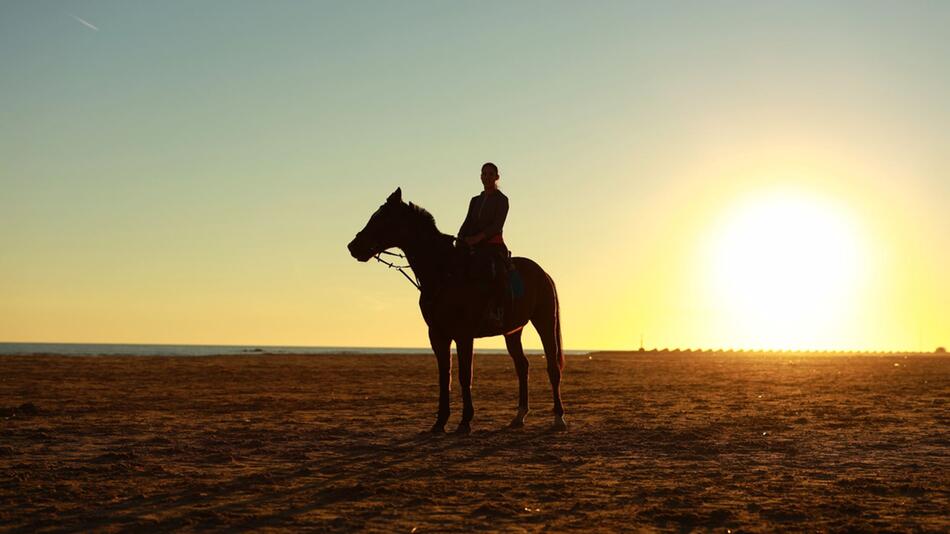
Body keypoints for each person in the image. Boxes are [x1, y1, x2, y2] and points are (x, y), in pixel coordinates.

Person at [457, 162, 510, 330]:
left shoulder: (502, 200)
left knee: (494, 273)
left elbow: (496, 226)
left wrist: (477, 238)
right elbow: (467, 222)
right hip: (473, 244)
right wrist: (460, 238)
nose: (486, 177)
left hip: (492, 246)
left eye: (490, 174)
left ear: (496, 177)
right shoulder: (475, 200)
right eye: (484, 174)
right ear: (481, 177)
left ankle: (497, 311)